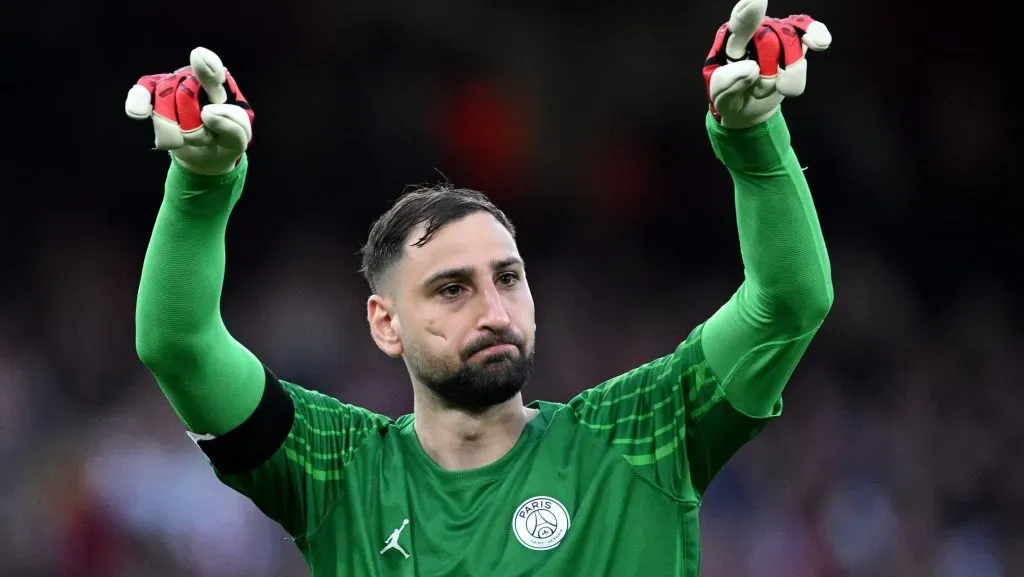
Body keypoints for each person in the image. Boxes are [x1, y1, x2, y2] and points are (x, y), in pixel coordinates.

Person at [125, 0, 834, 574]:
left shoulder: (639, 433)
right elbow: (178, 344)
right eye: (451, 289)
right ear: (385, 321)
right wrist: (201, 186)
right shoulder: (338, 470)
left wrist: (755, 137)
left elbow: (789, 301)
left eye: (508, 277)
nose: (494, 310)